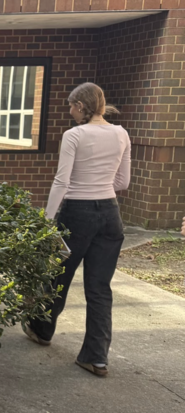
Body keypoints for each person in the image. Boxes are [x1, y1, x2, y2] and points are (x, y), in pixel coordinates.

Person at [22, 82, 131, 378]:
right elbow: (123, 182)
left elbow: (62, 181)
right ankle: (96, 358)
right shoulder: (121, 133)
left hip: (76, 215)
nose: (69, 111)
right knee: (99, 288)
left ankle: (42, 330)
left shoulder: (74, 135)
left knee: (59, 276)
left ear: (80, 107)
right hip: (110, 215)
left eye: (70, 105)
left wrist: (46, 220)